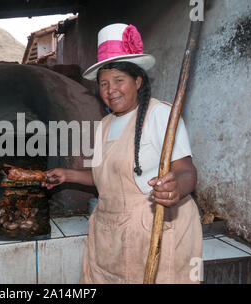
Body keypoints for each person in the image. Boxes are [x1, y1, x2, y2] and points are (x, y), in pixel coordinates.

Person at [42, 23, 202, 284]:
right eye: (104, 84)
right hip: (110, 233)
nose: (110, 90)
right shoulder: (103, 126)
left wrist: (176, 189)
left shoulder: (161, 115)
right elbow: (104, 178)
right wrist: (67, 174)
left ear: (137, 81)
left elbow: (186, 171)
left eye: (119, 80)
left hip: (154, 230)